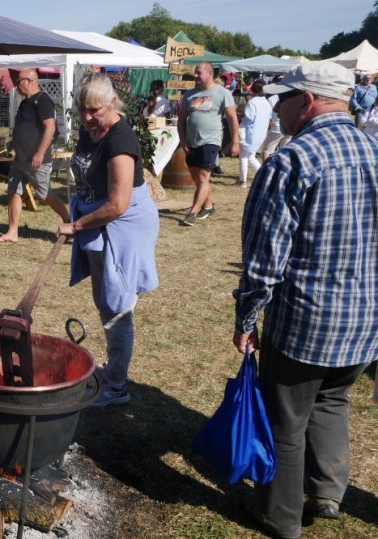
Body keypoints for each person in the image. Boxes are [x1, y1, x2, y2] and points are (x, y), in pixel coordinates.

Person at [233, 61, 377, 539]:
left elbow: (263, 256)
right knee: (334, 400)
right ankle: (328, 492)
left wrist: (247, 316)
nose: (277, 106)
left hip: (306, 324)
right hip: (364, 323)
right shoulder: (375, 149)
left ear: (308, 101)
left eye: (284, 98)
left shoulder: (292, 159)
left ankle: (280, 516)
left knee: (286, 420)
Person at [56, 73, 159, 407]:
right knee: (105, 301)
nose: (86, 118)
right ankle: (114, 369)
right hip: (98, 220)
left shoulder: (121, 140)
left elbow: (118, 204)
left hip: (123, 225)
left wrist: (77, 224)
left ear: (112, 103)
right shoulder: (91, 132)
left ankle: (116, 384)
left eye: (94, 110)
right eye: (82, 110)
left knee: (118, 307)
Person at [0, 69, 71, 243]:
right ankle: (13, 232)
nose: (17, 85)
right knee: (13, 191)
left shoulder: (43, 101)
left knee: (44, 194)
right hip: (20, 159)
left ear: (29, 81)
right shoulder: (24, 103)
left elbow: (50, 128)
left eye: (19, 81)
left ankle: (69, 221)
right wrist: (14, 143)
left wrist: (40, 153)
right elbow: (24, 127)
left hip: (37, 160)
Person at [177, 61, 240, 226]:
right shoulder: (189, 94)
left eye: (199, 72)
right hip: (192, 142)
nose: (196, 75)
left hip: (211, 141)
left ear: (210, 73)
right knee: (197, 178)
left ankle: (192, 213)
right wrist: (183, 141)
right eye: (195, 73)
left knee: (203, 176)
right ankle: (208, 206)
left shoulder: (222, 93)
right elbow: (181, 119)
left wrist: (235, 142)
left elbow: (233, 118)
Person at [237, 80, 272, 189]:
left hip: (250, 132)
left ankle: (242, 181)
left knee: (244, 157)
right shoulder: (266, 102)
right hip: (260, 133)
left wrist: (240, 114)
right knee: (250, 157)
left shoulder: (252, 102)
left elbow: (249, 117)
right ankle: (264, 175)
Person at [260, 76, 292, 160]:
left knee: (267, 151)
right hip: (288, 128)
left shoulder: (272, 98)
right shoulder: (291, 97)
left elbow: (268, 114)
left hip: (276, 128)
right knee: (285, 152)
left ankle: (266, 171)